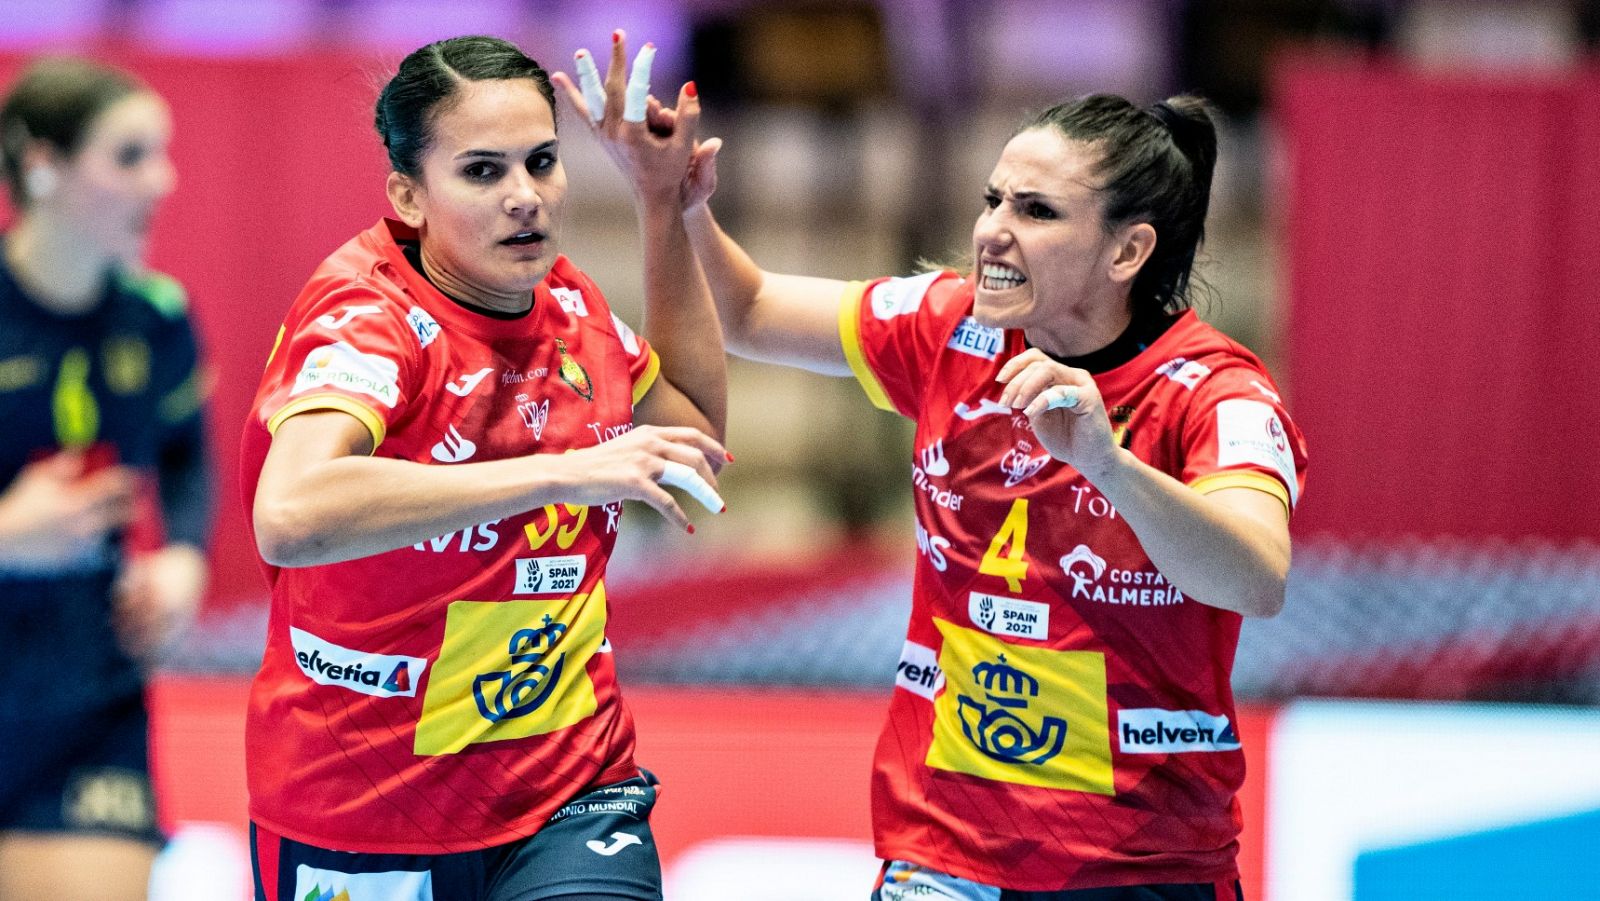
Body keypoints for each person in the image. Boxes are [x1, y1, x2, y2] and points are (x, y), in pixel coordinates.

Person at [589, 84, 1309, 899]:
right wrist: (679, 203)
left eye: (1037, 211)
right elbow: (750, 310)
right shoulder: (951, 324)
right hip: (947, 850)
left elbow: (1257, 576)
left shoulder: (1217, 393)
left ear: (1126, 252)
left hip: (1145, 862)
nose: (991, 231)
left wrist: (1109, 464)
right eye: (992, 199)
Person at [241, 33, 725, 901]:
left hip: (569, 792)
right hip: (361, 801)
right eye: (482, 172)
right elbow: (292, 511)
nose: (525, 197)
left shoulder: (573, 306)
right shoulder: (367, 315)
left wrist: (665, 205)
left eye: (542, 162)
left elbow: (692, 437)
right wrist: (561, 472)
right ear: (408, 195)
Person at [0, 57, 211, 899]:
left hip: (87, 695)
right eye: (128, 157)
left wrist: (185, 559)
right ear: (42, 165)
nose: (162, 180)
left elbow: (187, 458)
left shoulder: (155, 318)